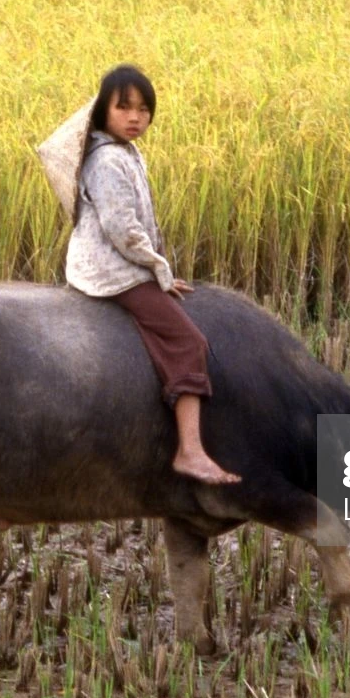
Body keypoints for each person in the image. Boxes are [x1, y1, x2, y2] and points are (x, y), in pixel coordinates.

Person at [65, 65, 240, 485]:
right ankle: (190, 451)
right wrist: (158, 270)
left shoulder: (125, 153)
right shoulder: (107, 159)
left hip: (122, 262)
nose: (135, 117)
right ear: (102, 111)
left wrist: (156, 267)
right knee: (187, 340)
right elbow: (123, 230)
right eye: (123, 107)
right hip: (112, 269)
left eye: (144, 109)